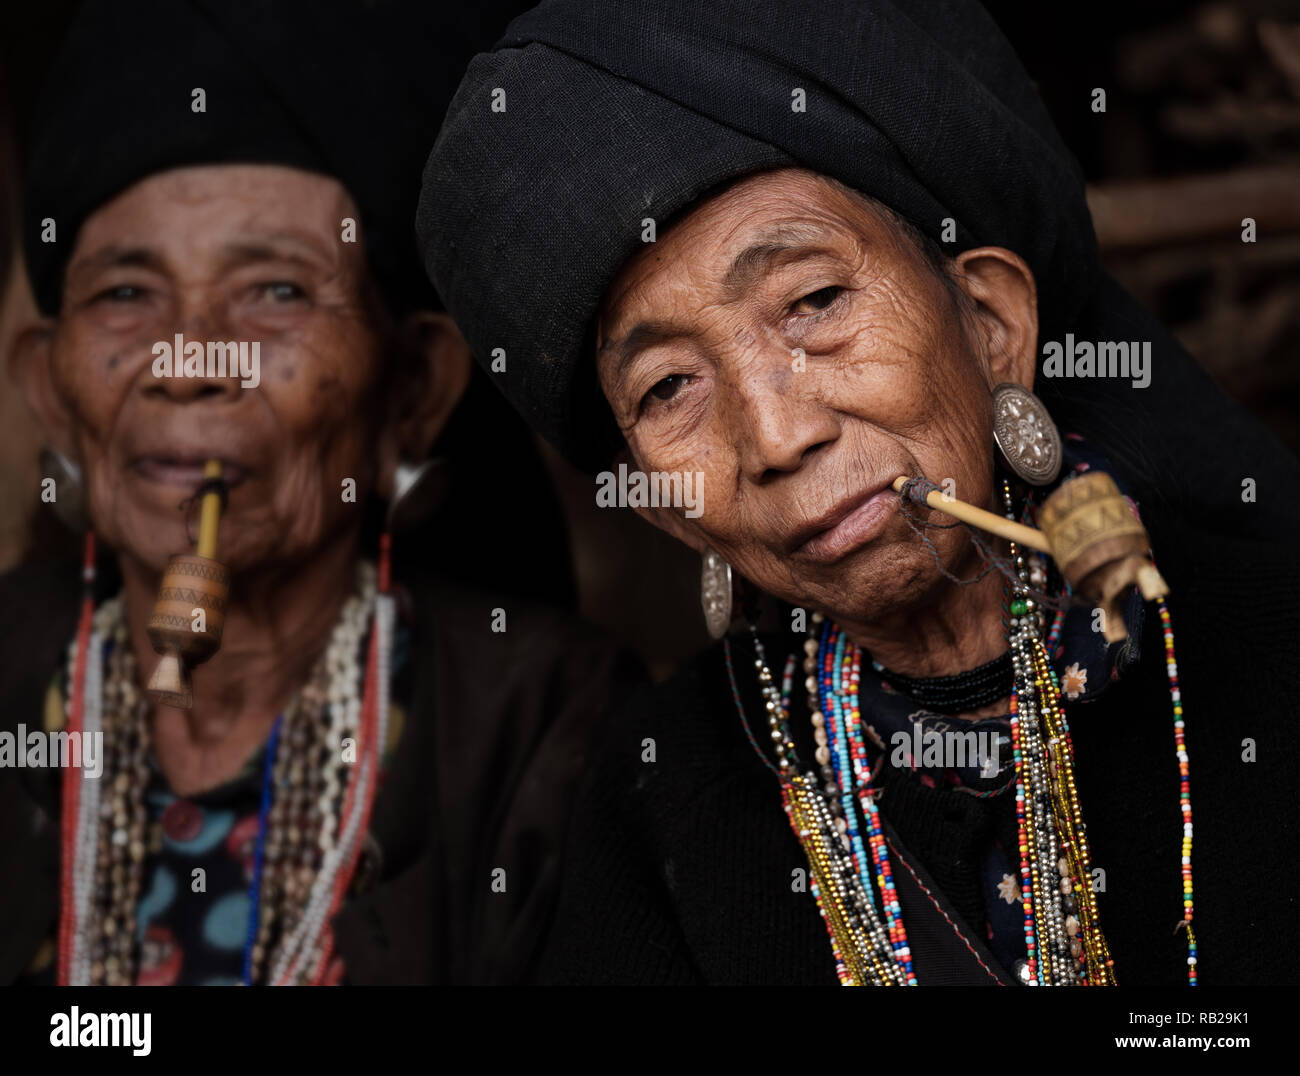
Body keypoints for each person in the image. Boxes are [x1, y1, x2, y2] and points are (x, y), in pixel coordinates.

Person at [418, 0, 1300, 985]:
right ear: (664, 506)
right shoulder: (661, 787)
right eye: (668, 387)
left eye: (815, 301)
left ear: (989, 319)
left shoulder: (1267, 651)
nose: (778, 435)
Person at [0, 0, 637, 986]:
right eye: (127, 293)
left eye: (277, 291)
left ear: (415, 388)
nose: (187, 358)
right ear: (48, 383)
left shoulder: (557, 729)